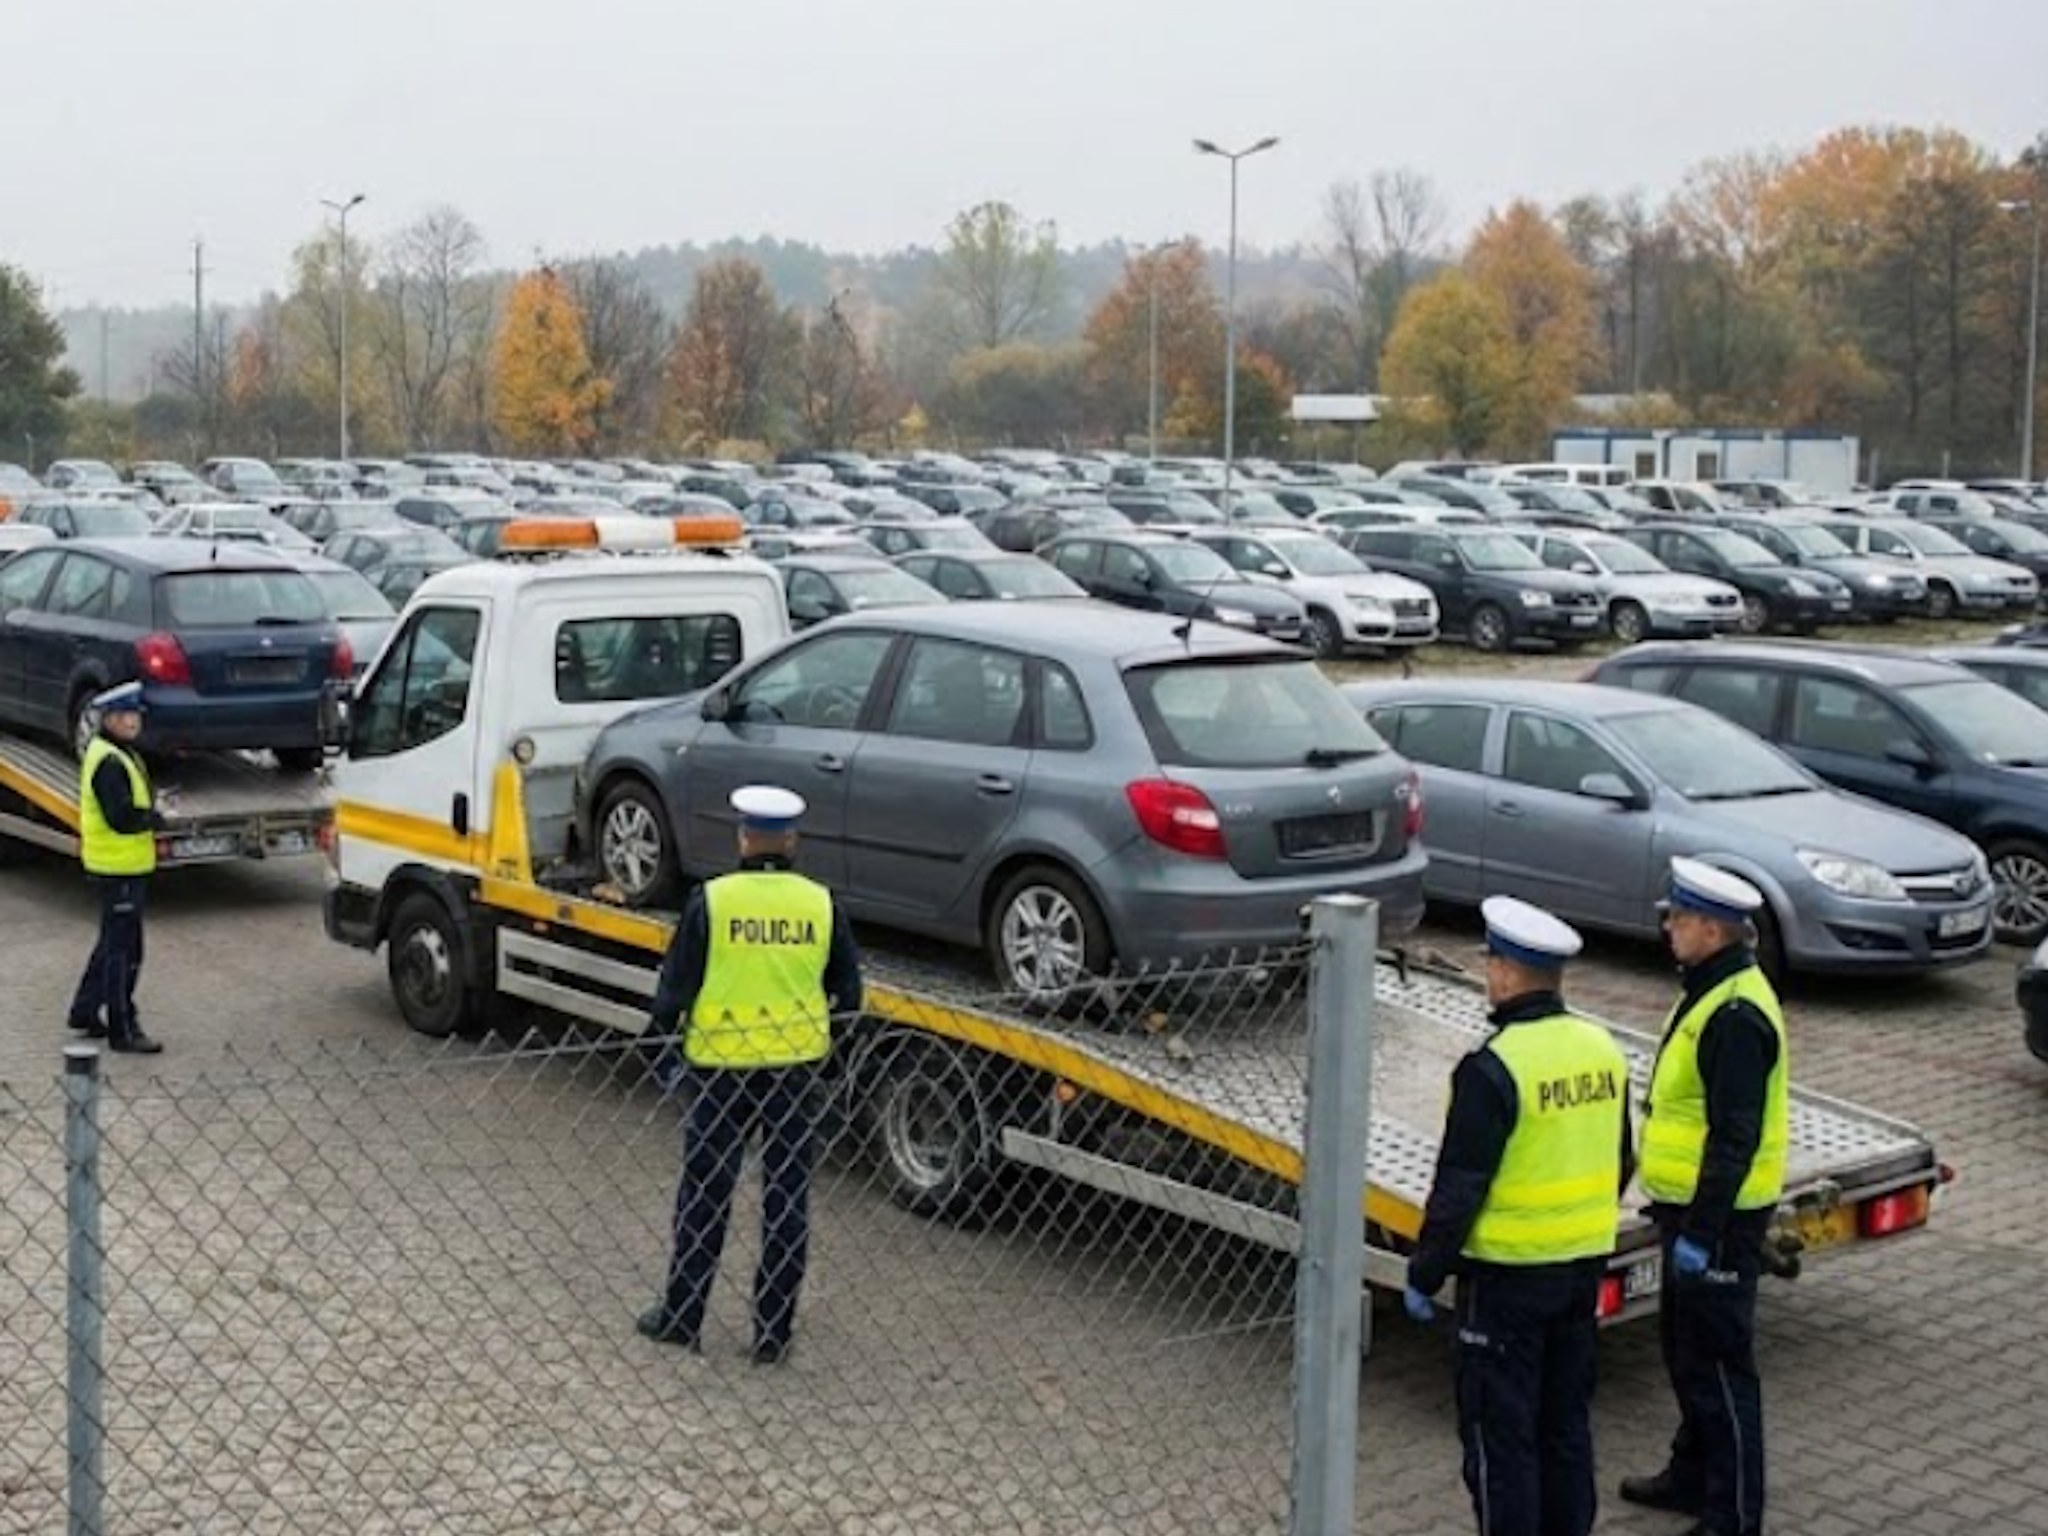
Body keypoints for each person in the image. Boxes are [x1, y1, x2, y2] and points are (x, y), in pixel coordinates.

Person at [1405, 896, 1633, 1536]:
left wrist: (1425, 1274)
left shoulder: (1491, 1067)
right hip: (1580, 1271)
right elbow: (1622, 1158)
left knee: (1500, 1439)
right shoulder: (1601, 1047)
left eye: (1491, 964)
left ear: (1506, 972)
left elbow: (1458, 1191)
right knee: (1563, 1426)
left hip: (1505, 1284)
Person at [637, 785, 862, 1364]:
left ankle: (683, 1318)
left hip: (718, 1071)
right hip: (793, 1072)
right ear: (791, 841)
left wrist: (660, 1057)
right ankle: (772, 1335)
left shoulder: (712, 901)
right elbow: (848, 993)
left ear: (743, 837)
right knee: (786, 1200)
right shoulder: (821, 904)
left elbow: (675, 989)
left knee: (704, 1197)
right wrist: (829, 1059)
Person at [1620, 857, 1789, 1536]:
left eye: (1680, 918)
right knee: (1687, 1353)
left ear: (1714, 930)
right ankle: (1691, 1474)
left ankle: (1735, 1514)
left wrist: (1706, 1230)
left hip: (1718, 1218)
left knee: (1721, 1368)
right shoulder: (1710, 987)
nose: (1669, 927)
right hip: (1687, 1209)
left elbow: (1734, 1134)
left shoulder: (1738, 1012)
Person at [67, 682, 165, 1055]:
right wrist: (154, 819)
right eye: (126, 715)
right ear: (108, 719)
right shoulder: (109, 760)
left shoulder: (116, 752)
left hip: (120, 865)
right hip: (118, 867)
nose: (134, 721)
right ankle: (123, 1030)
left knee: (111, 943)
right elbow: (121, 817)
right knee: (125, 951)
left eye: (136, 715)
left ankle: (84, 1011)